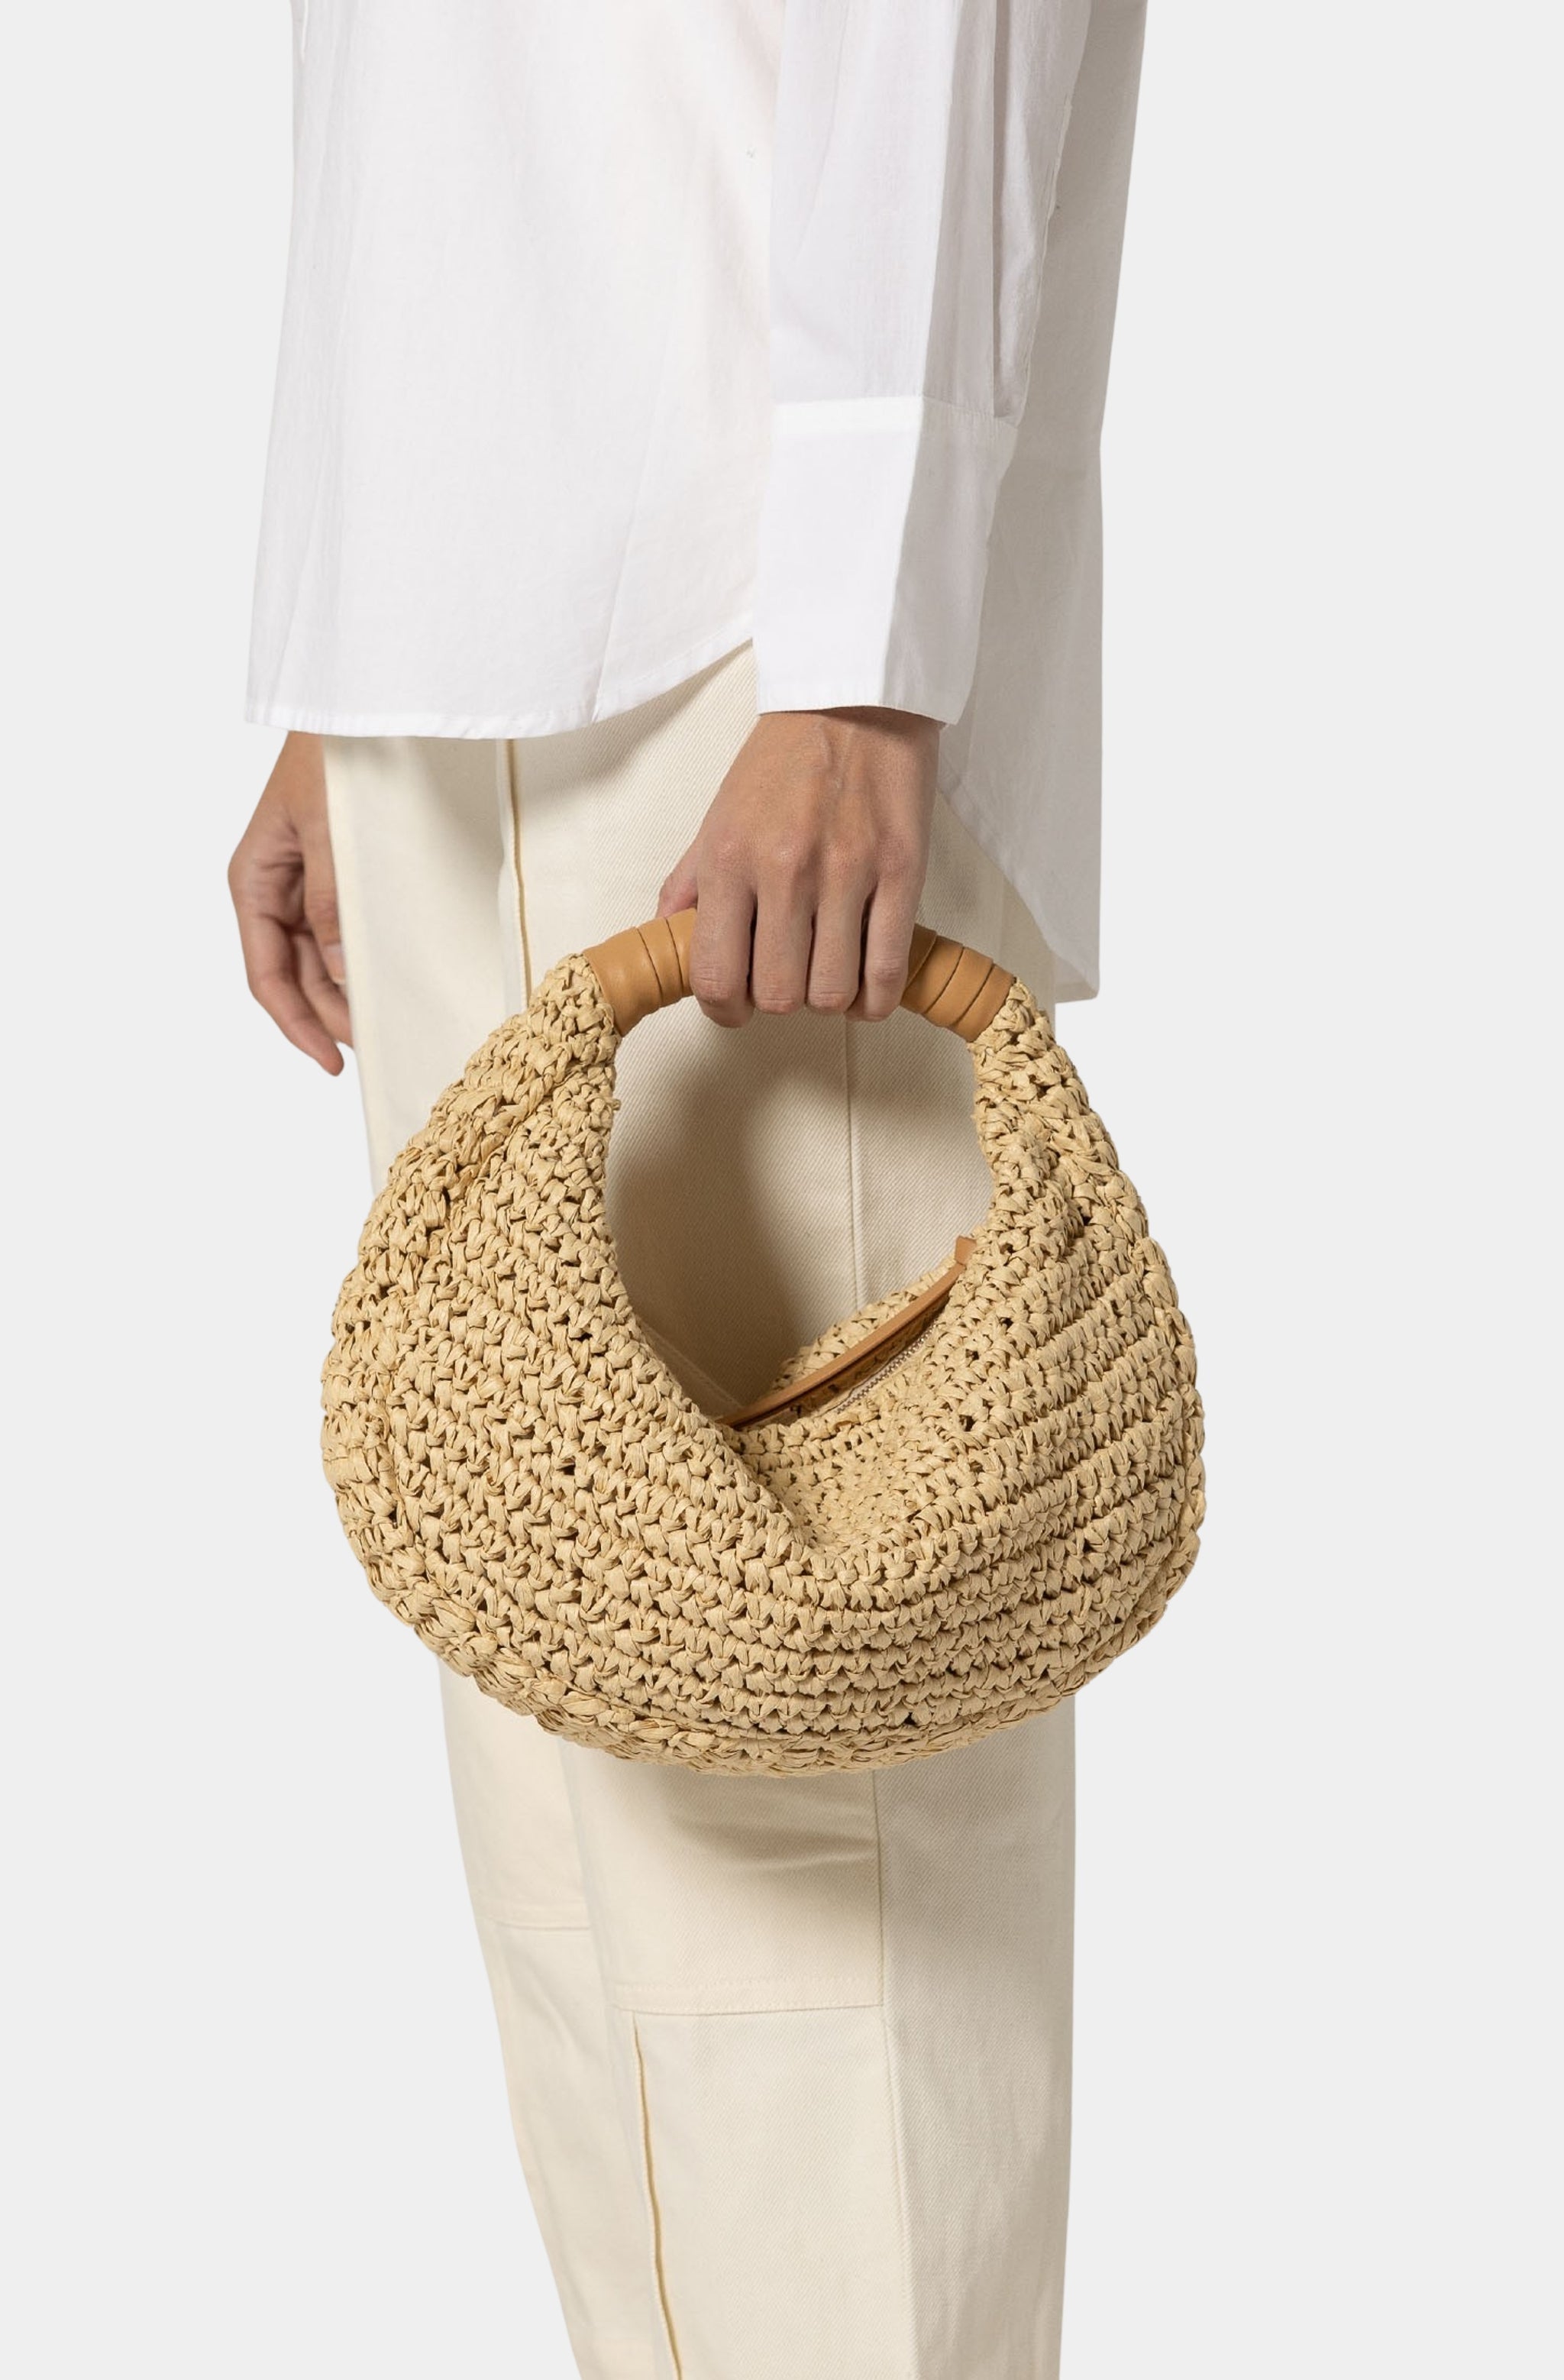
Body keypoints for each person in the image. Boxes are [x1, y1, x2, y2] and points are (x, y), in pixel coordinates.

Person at [228, 5, 1146, 2373]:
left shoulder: (820, 658)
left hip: (743, 622)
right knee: (580, 1819)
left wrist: (864, 666)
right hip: (467, 611)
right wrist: (349, 644)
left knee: (815, 1837)